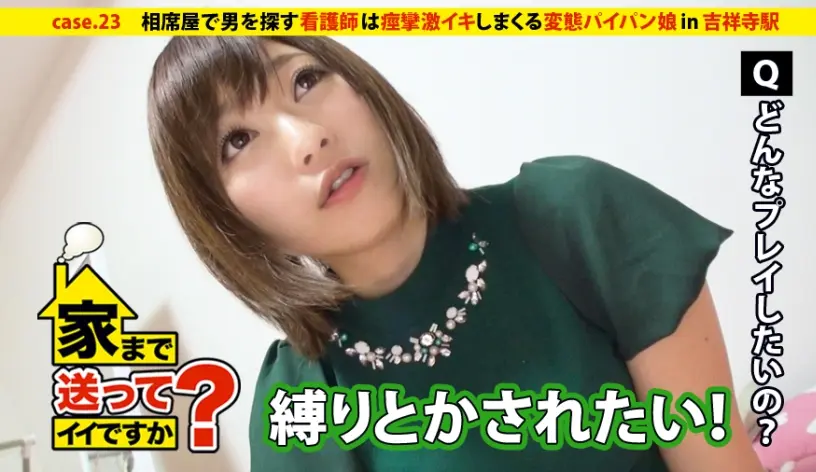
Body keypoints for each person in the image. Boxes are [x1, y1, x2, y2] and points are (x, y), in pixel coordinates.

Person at [147, 36, 765, 472]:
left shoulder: (575, 216)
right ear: (226, 220)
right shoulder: (299, 401)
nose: (308, 139)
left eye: (306, 80)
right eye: (237, 140)